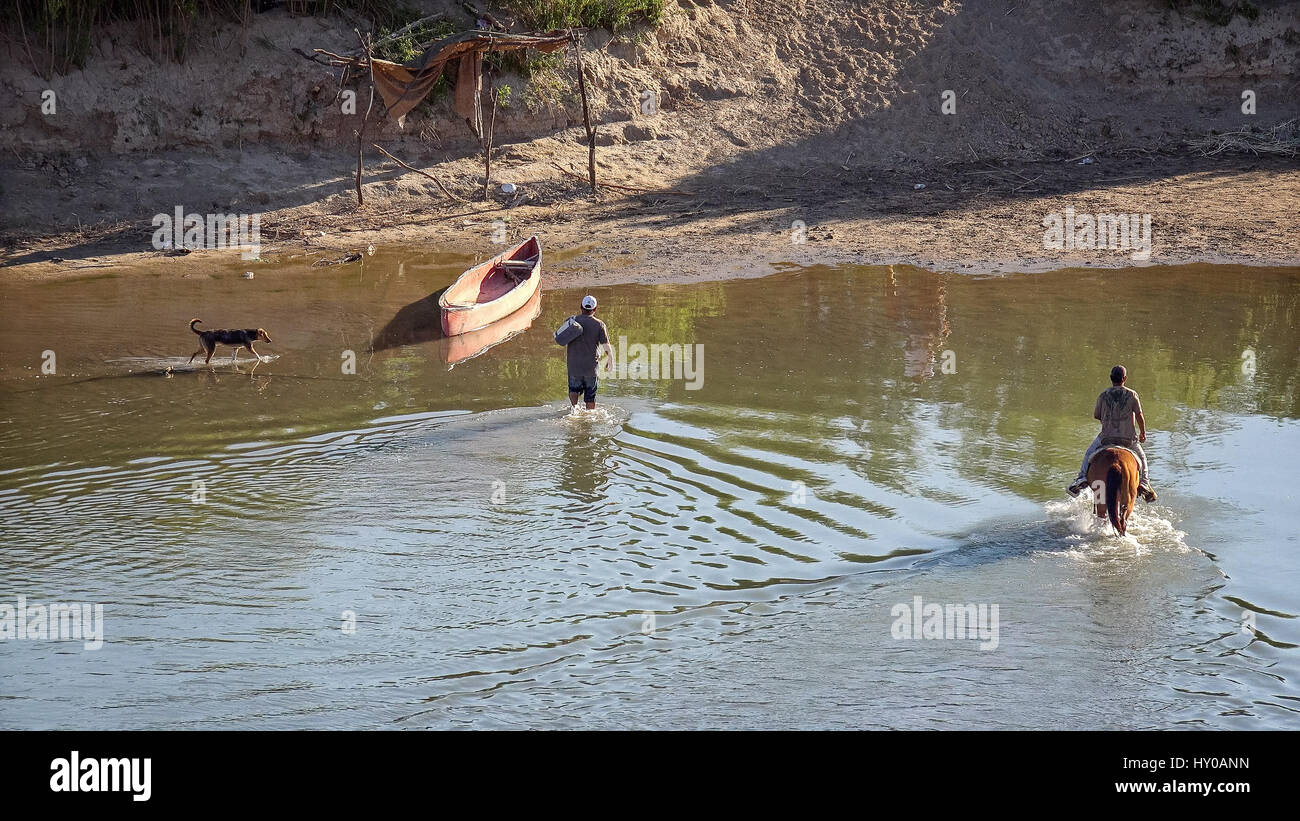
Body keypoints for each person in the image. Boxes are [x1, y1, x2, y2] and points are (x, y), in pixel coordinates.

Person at [1068, 365, 1157, 502]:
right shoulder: (1132, 394)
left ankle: (1081, 478)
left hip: (1107, 438)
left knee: (1088, 454)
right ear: (1125, 379)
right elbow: (1139, 415)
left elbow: (1097, 416)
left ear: (1111, 378)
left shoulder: (1103, 395)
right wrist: (1142, 433)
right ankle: (1145, 483)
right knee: (1143, 459)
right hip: (1128, 439)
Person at [566, 295, 613, 410]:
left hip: (574, 366)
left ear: (580, 307)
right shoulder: (599, 325)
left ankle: (574, 410)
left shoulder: (571, 321)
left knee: (573, 390)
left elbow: (561, 338)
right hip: (591, 368)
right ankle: (589, 416)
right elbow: (606, 345)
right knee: (590, 397)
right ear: (595, 309)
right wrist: (610, 360)